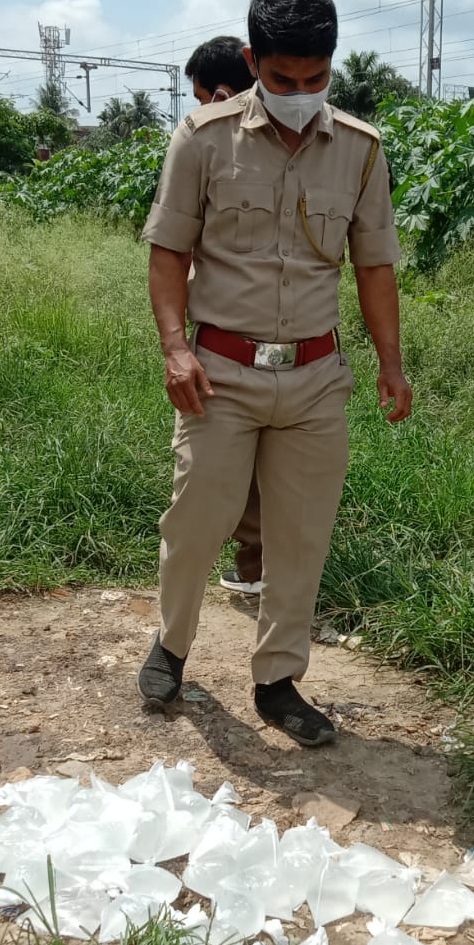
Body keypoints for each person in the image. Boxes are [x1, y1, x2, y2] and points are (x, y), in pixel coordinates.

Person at [138, 0, 412, 747]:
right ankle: (172, 646)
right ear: (254, 60)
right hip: (220, 373)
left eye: (315, 78)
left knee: (300, 536)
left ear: (332, 64)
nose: (299, 93)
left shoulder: (360, 150)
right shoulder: (203, 137)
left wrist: (392, 365)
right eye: (283, 79)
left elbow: (375, 267)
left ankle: (278, 681)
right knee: (196, 520)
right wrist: (174, 348)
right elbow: (168, 252)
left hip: (316, 377)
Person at [184, 35, 265, 596]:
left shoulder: (210, 149)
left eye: (201, 98)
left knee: (232, 460)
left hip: (232, 341)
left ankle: (255, 561)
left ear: (220, 92)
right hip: (299, 345)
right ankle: (260, 561)